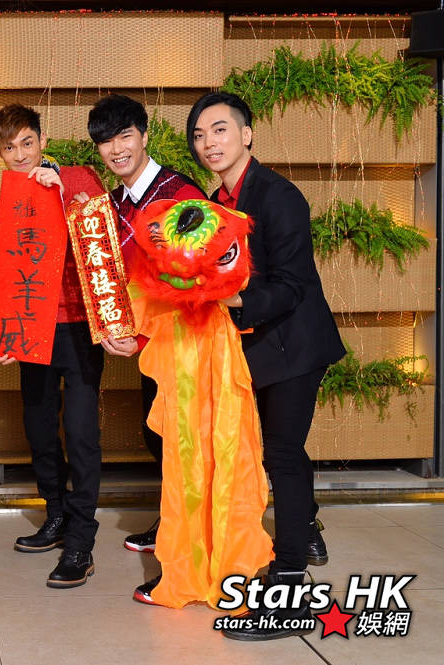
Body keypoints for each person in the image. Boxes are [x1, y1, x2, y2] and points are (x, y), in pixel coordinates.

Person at [186, 91, 345, 640]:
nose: (209, 143)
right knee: (272, 450)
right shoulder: (215, 203)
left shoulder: (279, 196)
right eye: (200, 135)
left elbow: (293, 284)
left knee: (280, 452)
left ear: (247, 134)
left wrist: (233, 301)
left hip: (295, 346)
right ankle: (306, 526)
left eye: (220, 130)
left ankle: (291, 583)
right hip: (253, 347)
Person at [0, 103, 107, 588]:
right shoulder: (8, 201)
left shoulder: (79, 178)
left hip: (77, 326)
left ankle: (81, 539)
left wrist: (62, 196)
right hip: (30, 327)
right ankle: (55, 514)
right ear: (0, 152)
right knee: (39, 430)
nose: (20, 154)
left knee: (80, 434)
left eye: (27, 143)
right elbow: (3, 273)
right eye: (9, 147)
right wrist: (3, 334)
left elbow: (104, 243)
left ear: (42, 140)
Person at [85, 95, 205, 557]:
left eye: (125, 136)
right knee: (158, 435)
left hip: (188, 341)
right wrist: (117, 331)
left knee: (187, 438)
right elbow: (112, 276)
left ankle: (192, 539)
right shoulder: (113, 205)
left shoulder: (182, 195)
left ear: (145, 135)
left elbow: (197, 275)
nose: (116, 149)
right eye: (106, 142)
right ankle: (173, 521)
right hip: (152, 347)